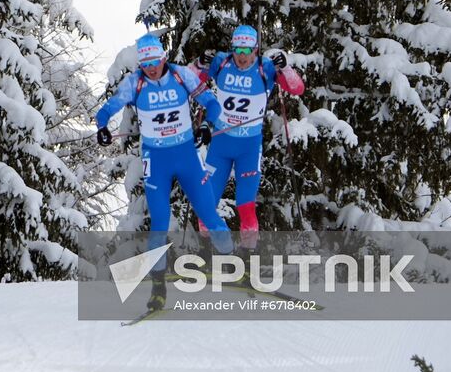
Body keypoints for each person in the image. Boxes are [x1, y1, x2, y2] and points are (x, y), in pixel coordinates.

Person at [96, 33, 232, 310]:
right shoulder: (135, 83)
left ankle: (235, 266)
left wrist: (207, 125)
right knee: (159, 223)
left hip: (185, 156)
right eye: (145, 63)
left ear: (163, 57)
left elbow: (212, 103)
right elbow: (109, 108)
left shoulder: (182, 76)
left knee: (209, 215)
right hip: (155, 160)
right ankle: (158, 290)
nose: (151, 67)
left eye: (155, 61)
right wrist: (102, 127)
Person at [195, 24, 304, 247]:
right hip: (221, 144)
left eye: (247, 51)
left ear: (255, 49)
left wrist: (286, 69)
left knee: (246, 207)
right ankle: (205, 262)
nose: (242, 56)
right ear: (232, 49)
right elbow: (188, 80)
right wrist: (199, 63)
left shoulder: (265, 67)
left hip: (249, 147)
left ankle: (247, 265)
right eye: (238, 50)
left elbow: (296, 88)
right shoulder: (222, 62)